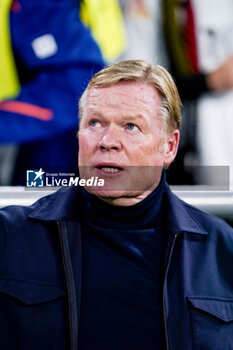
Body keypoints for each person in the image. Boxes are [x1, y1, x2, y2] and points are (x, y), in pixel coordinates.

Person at [0, 60, 233, 350]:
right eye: (95, 123)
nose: (108, 141)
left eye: (131, 126)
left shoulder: (223, 250)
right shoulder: (10, 236)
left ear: (169, 147)